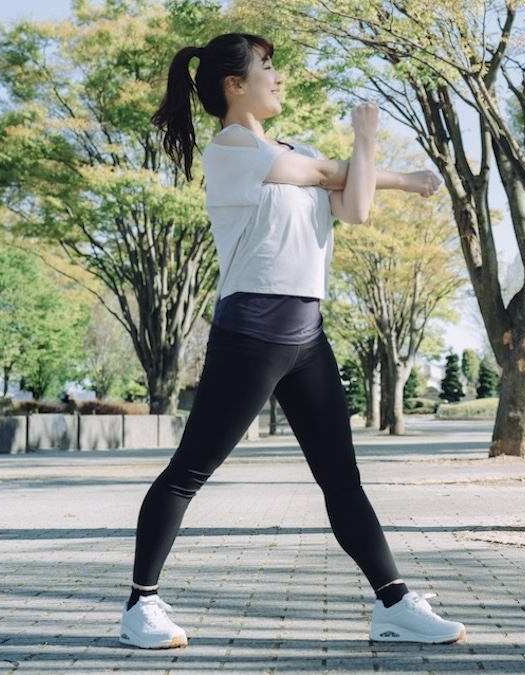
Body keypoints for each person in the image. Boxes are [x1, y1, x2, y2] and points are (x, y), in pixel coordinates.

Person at [119, 32, 464, 650]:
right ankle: (140, 605)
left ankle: (394, 605)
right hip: (250, 334)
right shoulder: (231, 148)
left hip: (307, 335)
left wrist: (366, 142)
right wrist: (406, 178)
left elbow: (353, 206)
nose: (278, 78)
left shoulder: (292, 149)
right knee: (187, 473)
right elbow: (332, 174)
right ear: (235, 84)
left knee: (342, 479)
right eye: (267, 68)